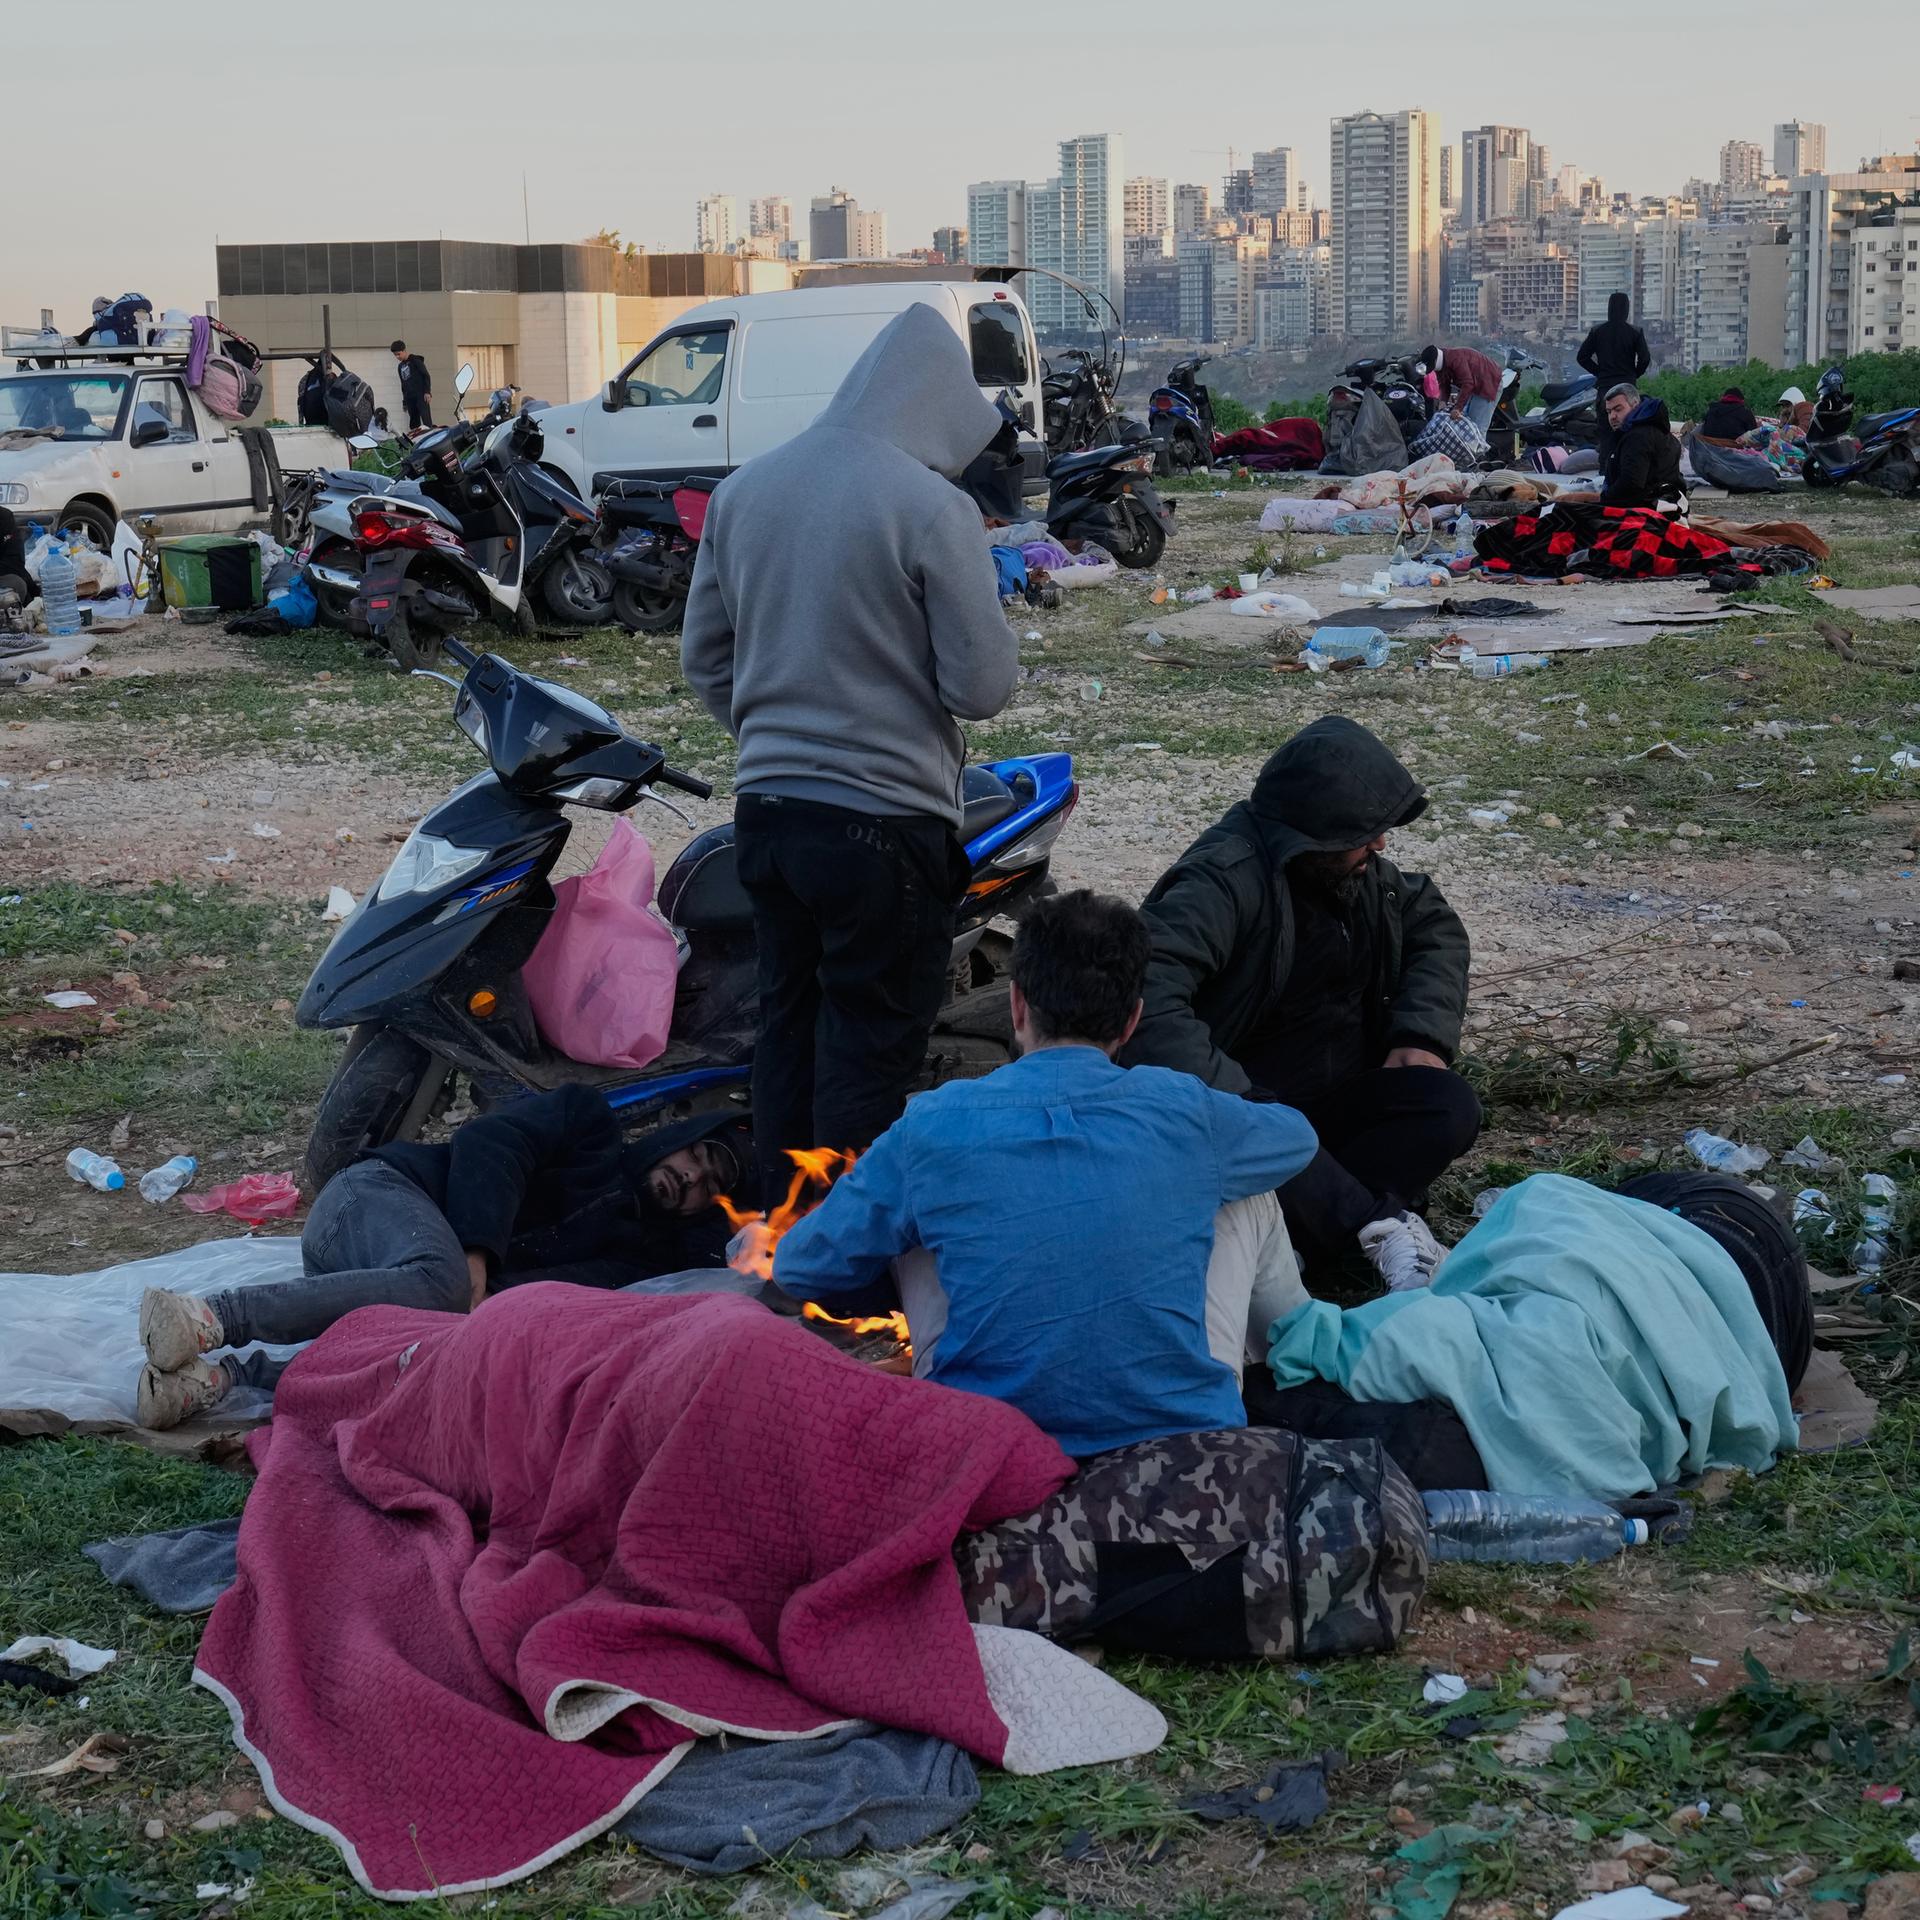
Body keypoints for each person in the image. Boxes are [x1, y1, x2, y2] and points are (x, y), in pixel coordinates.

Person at [771, 890, 1319, 1459]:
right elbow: (1296, 1139)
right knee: (1243, 1189)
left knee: (912, 1209)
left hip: (988, 1444)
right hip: (1180, 1448)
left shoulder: (933, 1124)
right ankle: (1301, 1351)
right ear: (1132, 1020)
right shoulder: (1184, 1109)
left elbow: (804, 1266)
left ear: (1015, 1005)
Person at [681, 306, 1019, 1203]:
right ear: (937, 408)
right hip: (886, 827)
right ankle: (846, 1276)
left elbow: (704, 661)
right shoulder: (931, 507)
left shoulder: (745, 491)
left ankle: (779, 1241)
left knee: (788, 1033)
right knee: (867, 1056)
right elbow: (982, 687)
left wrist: (776, 736)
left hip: (768, 817)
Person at [132, 1087, 751, 1427]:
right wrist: (478, 1256)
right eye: (698, 1156)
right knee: (447, 1286)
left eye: (710, 1185)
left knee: (452, 1364)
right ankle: (209, 1316)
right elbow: (491, 1139)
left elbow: (538, 1306)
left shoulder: (632, 1261)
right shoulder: (588, 1124)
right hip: (368, 1200)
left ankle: (219, 1381)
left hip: (383, 1287)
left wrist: (481, 1317)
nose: (691, 1178)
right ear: (678, 1138)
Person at [1121, 717, 1478, 1293]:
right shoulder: (1223, 881)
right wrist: (1236, 1101)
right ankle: (1369, 1227)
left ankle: (1311, 1237)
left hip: (1328, 1108)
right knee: (1273, 1136)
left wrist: (1421, 1036)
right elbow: (1142, 995)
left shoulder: (1358, 877)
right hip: (1238, 1113)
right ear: (1312, 835)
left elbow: (1433, 923)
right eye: (1364, 834)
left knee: (1445, 1105)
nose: (1380, 845)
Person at [1576, 291, 1651, 471]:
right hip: (1627, 391)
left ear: (1609, 308)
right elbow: (1645, 359)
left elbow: (1582, 357)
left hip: (1605, 391)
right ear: (1626, 309)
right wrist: (1633, 375)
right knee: (1631, 432)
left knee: (1606, 435)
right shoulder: (1635, 332)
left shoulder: (1598, 331)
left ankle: (1605, 474)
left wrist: (1599, 373)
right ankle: (1630, 469)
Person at [1600, 383, 1684, 511]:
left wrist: (1605, 499)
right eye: (1609, 411)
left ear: (1634, 405)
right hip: (1669, 503)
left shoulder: (1638, 436)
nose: (1612, 416)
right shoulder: (1654, 429)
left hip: (1649, 510)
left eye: (1618, 409)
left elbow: (1631, 484)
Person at [1413, 343, 1503, 434]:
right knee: (1468, 423)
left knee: (1476, 427)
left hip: (1488, 383)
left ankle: (1479, 448)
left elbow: (1468, 383)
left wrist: (1458, 408)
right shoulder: (1441, 365)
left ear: (1436, 360)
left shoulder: (1455, 358)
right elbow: (1443, 384)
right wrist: (1443, 401)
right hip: (1475, 385)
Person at [390, 339, 433, 431]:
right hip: (409, 397)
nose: (397, 357)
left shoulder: (415, 360)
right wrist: (404, 401)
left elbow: (426, 375)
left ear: (404, 351)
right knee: (413, 423)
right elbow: (403, 384)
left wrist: (427, 391)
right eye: (395, 355)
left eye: (399, 354)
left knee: (426, 420)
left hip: (421, 395)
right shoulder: (400, 366)